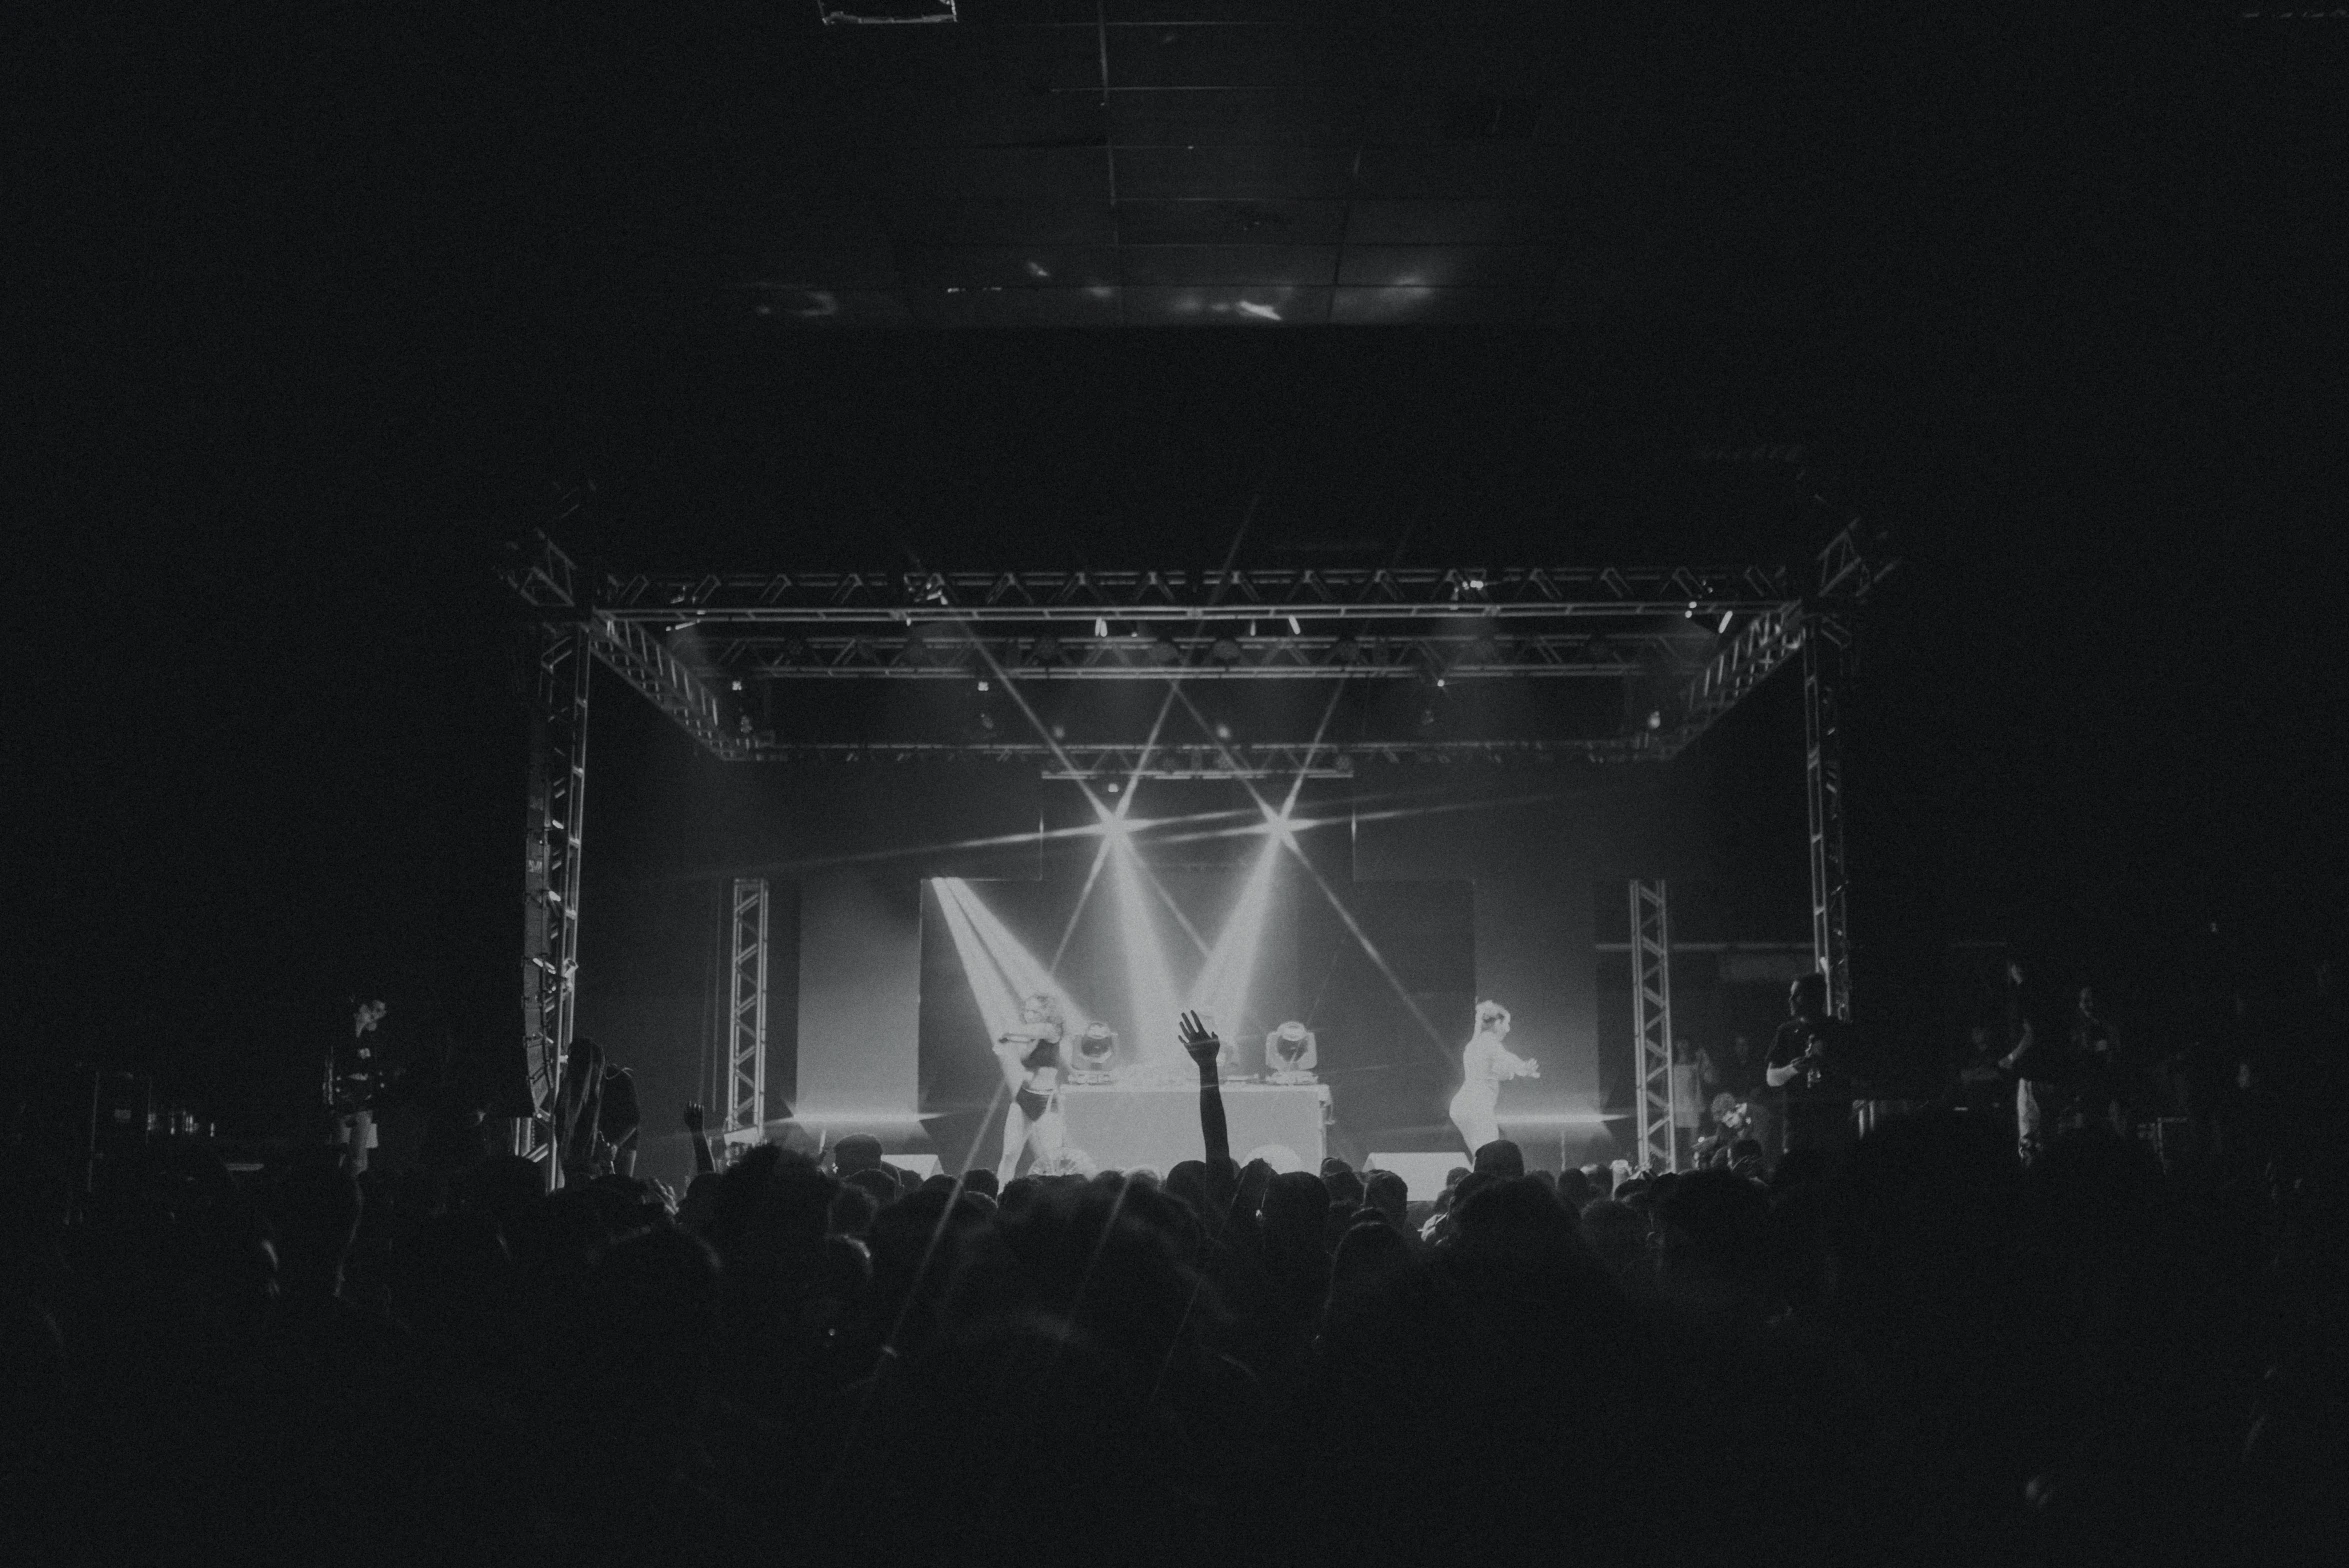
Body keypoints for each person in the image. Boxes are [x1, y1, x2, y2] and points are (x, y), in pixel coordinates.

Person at [1764, 974, 1855, 1156]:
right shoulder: (1786, 1031)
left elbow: (1853, 1073)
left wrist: (1826, 1060)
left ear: (1813, 997)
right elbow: (1771, 1078)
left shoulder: (1837, 1030)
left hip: (1833, 1124)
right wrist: (1793, 1069)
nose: (1790, 1000)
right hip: (1797, 1126)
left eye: (1796, 995)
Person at [993, 994, 1070, 1186]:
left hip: (1046, 1100)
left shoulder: (1052, 1030)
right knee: (1009, 1153)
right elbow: (1015, 1040)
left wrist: (1007, 1036)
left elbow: (1018, 1032)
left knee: (1052, 1158)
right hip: (1024, 1097)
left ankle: (1057, 1199)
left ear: (1047, 1012)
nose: (1029, 1015)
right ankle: (1001, 1194)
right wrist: (1006, 1040)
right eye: (1026, 1010)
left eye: (1034, 1011)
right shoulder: (1026, 1037)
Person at [1448, 1000, 1538, 1156]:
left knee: (1481, 1153)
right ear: (1497, 1023)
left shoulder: (1474, 1044)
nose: (1507, 1029)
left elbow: (1498, 1071)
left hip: (1462, 1105)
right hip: (1476, 1105)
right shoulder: (1489, 1042)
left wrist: (1519, 1070)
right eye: (1506, 1024)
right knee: (1490, 1154)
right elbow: (1507, 1060)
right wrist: (1523, 1067)